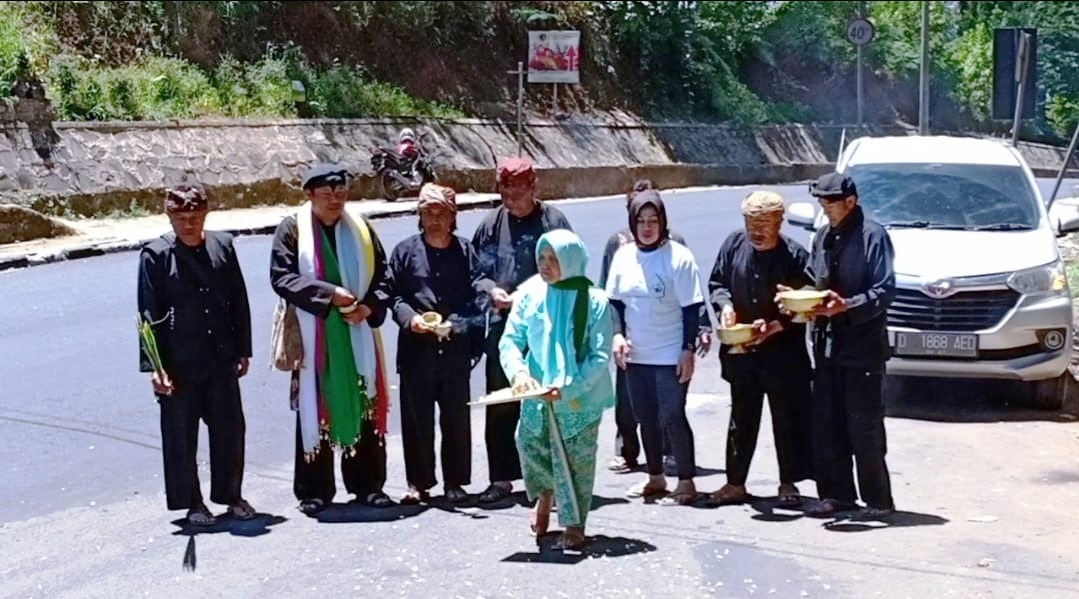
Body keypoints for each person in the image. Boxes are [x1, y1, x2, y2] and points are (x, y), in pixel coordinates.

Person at [270, 163, 395, 516]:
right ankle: (314, 489)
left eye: (341, 193)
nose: (335, 200)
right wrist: (330, 295)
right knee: (315, 402)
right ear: (309, 195)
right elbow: (282, 277)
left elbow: (385, 278)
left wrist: (368, 308)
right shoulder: (292, 230)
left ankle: (368, 485)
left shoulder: (361, 230)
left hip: (357, 332)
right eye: (327, 194)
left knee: (363, 396)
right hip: (316, 332)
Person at [136, 183, 255, 526]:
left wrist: (242, 348)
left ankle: (230, 495)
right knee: (180, 437)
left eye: (195, 216)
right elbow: (147, 315)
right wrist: (155, 367)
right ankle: (193, 503)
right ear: (169, 217)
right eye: (181, 217)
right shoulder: (155, 256)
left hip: (220, 357)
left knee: (229, 431)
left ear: (206, 214)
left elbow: (238, 299)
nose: (189, 224)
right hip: (178, 364)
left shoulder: (223, 246)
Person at [784, 172, 897, 520]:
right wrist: (797, 298)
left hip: (862, 347)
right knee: (828, 424)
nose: (826, 208)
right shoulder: (822, 237)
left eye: (831, 202)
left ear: (851, 202)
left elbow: (884, 290)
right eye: (822, 202)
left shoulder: (873, 236)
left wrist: (847, 305)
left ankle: (878, 501)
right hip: (826, 346)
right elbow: (813, 282)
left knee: (863, 426)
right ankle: (837, 495)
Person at [500, 229, 615, 550]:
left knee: (575, 461)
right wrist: (520, 374)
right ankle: (545, 496)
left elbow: (600, 356)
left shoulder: (594, 301)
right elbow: (510, 341)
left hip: (579, 398)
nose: (546, 266)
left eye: (554, 259)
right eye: (542, 258)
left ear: (571, 260)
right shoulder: (529, 293)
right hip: (537, 392)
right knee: (530, 444)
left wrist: (568, 388)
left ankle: (575, 524)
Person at [471, 156, 574, 504]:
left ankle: (549, 479)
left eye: (519, 189)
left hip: (545, 325)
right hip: (504, 327)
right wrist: (490, 290)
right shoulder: (490, 223)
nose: (512, 197)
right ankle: (501, 478)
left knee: (544, 402)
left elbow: (571, 268)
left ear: (534, 187)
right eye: (506, 189)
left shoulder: (553, 222)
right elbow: (475, 271)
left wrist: (528, 294)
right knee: (502, 401)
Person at [705, 190, 814, 507]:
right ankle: (735, 483)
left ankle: (788, 482)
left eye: (764, 223)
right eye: (751, 222)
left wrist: (782, 322)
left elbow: (809, 299)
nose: (756, 230)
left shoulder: (795, 256)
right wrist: (724, 306)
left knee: (786, 418)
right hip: (742, 350)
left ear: (779, 222)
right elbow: (718, 283)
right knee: (741, 417)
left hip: (782, 352)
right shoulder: (733, 245)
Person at [388, 183, 490, 505]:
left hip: (455, 348)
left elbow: (479, 294)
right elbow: (392, 295)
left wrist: (458, 325)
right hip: (417, 348)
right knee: (417, 419)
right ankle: (418, 483)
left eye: (440, 213)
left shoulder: (466, 252)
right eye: (427, 213)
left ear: (452, 217)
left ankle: (455, 482)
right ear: (419, 215)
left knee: (455, 419)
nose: (434, 219)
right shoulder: (404, 252)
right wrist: (410, 319)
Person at [606, 190, 705, 506]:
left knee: (672, 414)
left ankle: (686, 480)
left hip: (670, 352)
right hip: (637, 354)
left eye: (654, 220)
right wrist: (617, 336)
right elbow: (615, 303)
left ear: (663, 222)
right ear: (632, 224)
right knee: (645, 416)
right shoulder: (623, 256)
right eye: (641, 221)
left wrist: (688, 349)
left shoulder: (679, 257)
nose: (647, 227)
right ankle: (655, 477)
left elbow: (692, 307)